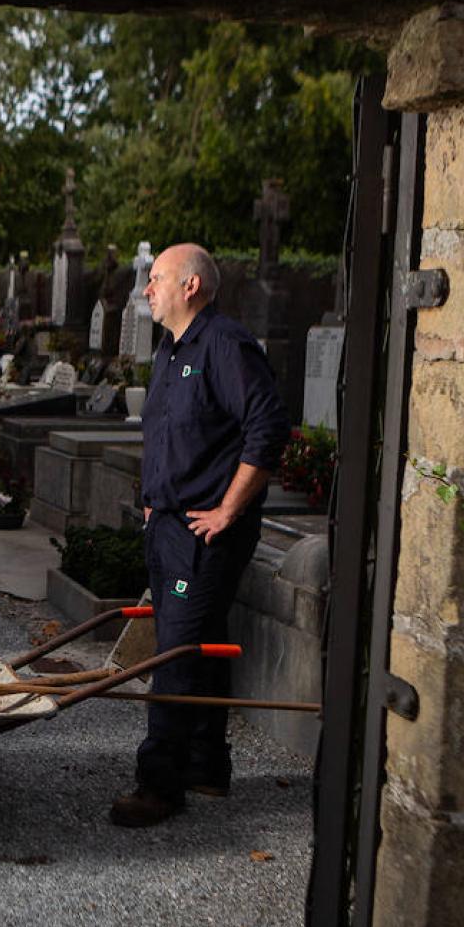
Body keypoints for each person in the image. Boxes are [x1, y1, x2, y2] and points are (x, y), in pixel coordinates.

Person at [111, 243, 289, 827]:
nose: (146, 289)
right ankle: (208, 766)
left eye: (156, 279)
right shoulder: (170, 350)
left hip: (202, 531)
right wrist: (150, 500)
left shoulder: (225, 345)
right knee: (203, 643)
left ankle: (158, 784)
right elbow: (170, 434)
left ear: (190, 287)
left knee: (177, 653)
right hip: (167, 523)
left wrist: (228, 511)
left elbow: (267, 430)